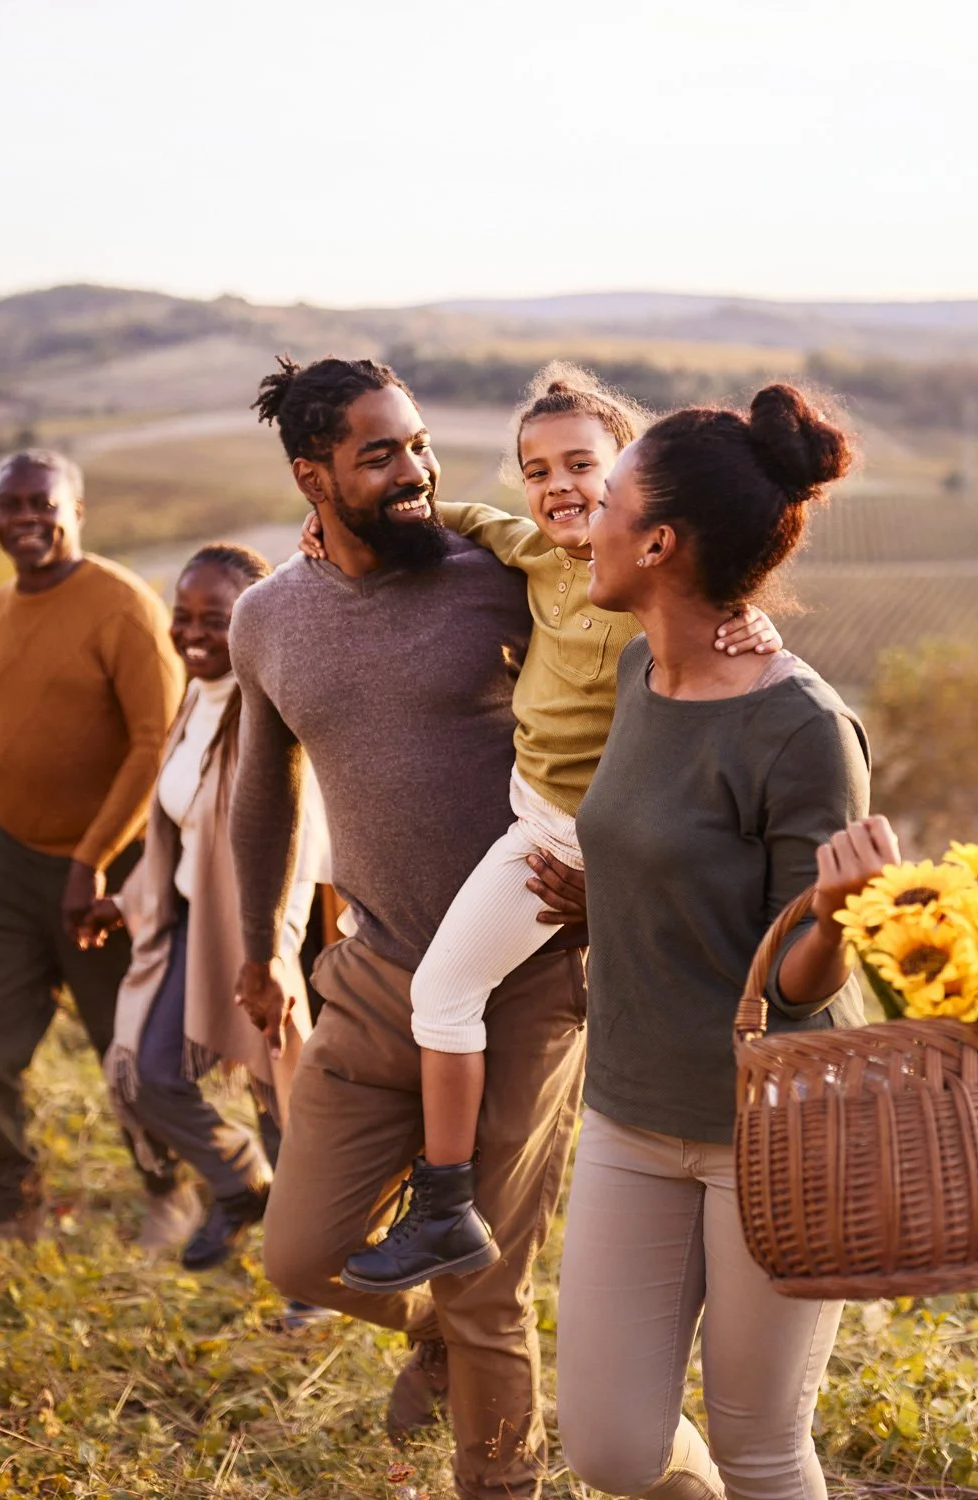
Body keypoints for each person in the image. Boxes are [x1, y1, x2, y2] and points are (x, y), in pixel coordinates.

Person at [299, 366, 781, 1292]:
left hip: (573, 842)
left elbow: (711, 620)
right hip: (529, 819)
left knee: (458, 995)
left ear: (634, 479)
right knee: (448, 989)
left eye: (581, 465)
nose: (557, 485)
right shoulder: (537, 558)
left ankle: (457, 1206)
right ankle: (447, 1203)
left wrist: (746, 620)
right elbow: (468, 518)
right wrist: (341, 521)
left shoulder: (646, 585)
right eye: (536, 469)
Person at [229, 356, 589, 1500]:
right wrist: (259, 948)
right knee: (302, 1256)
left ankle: (502, 1475)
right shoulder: (266, 617)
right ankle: (433, 1327)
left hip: (526, 975)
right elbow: (260, 790)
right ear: (313, 476)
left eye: (420, 443)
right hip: (377, 975)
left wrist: (613, 873)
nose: (417, 471)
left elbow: (620, 682)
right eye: (381, 454)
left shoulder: (495, 579)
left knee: (489, 1285)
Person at [554, 385, 899, 1500]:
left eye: (602, 499)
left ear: (657, 541)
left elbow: (802, 983)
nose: (581, 518)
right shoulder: (634, 672)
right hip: (628, 1108)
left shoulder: (804, 729)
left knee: (761, 1444)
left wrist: (841, 915)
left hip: (775, 1135)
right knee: (610, 1450)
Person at [83, 543, 333, 1289]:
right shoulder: (197, 698)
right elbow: (181, 826)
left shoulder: (278, 712)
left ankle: (311, 1285)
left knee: (285, 1108)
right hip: (197, 923)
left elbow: (296, 848)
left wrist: (274, 960)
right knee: (147, 1073)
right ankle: (238, 1186)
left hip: (272, 938)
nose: (192, 634)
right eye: (181, 616)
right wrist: (123, 901)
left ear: (253, 623)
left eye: (214, 619)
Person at [0, 449, 184, 1244]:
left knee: (126, 1048)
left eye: (41, 504)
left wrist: (91, 859)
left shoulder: (122, 605)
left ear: (77, 510)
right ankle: (14, 1212)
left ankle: (168, 1196)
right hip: (9, 866)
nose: (25, 519)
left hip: (107, 873)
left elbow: (156, 745)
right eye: (10, 505)